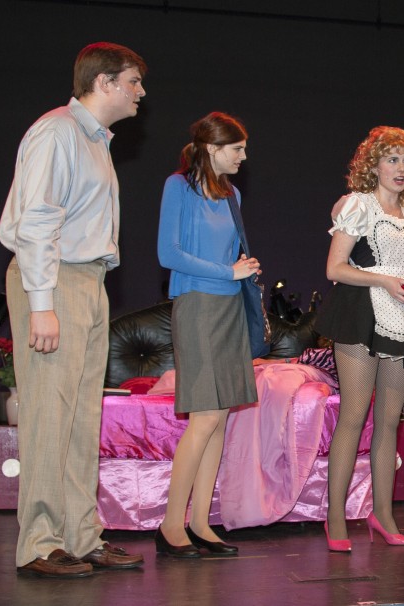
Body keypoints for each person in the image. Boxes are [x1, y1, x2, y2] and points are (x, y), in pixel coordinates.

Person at [0, 42, 147, 578]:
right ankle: (39, 543)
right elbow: (36, 220)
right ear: (103, 82)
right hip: (54, 278)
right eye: (132, 81)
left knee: (83, 417)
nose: (140, 92)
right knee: (47, 414)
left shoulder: (95, 142)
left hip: (89, 280)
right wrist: (42, 304)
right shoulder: (57, 131)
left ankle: (81, 536)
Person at [314, 126, 404, 552]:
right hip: (360, 314)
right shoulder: (357, 205)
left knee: (390, 422)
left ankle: (383, 514)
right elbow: (335, 269)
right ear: (372, 164)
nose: (400, 168)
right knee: (353, 417)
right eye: (391, 158)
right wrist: (386, 281)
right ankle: (335, 518)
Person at [155, 112, 259, 558]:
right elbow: (168, 253)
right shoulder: (178, 186)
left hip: (230, 306)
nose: (243, 156)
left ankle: (200, 522)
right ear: (213, 148)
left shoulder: (232, 194)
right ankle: (169, 526)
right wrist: (226, 270)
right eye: (237, 148)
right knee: (205, 418)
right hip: (197, 304)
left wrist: (243, 269)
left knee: (220, 418)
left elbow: (229, 252)